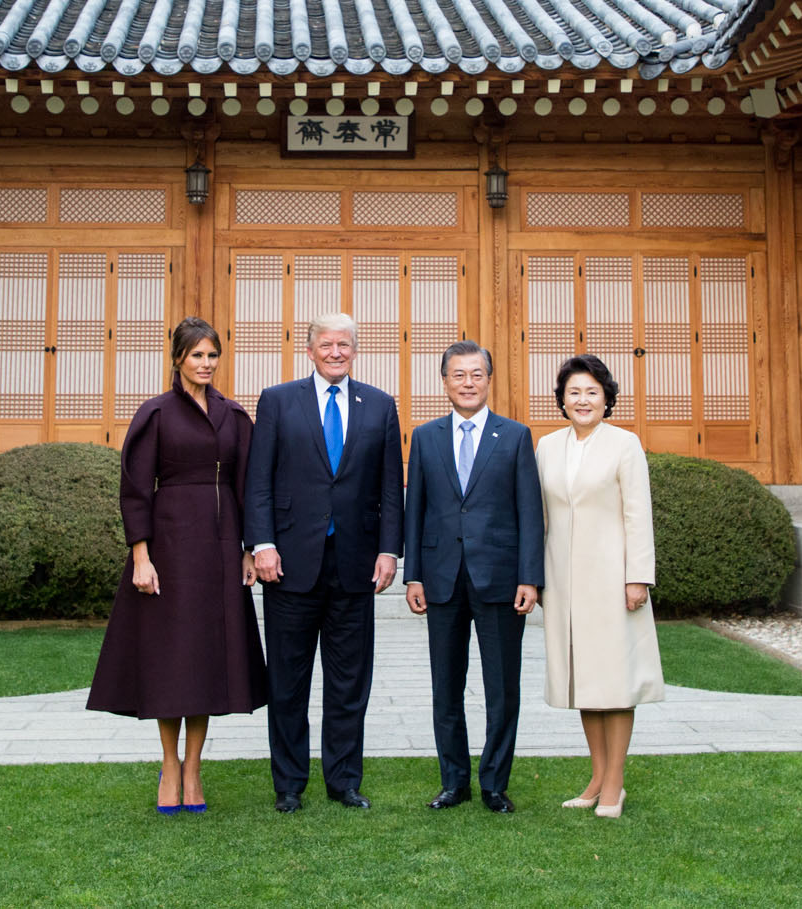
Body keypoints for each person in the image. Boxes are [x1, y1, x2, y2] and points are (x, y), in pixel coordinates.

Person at [87, 318, 268, 814]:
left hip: (221, 546)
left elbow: (249, 488)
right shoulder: (157, 414)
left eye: (213, 356)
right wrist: (140, 556)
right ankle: (169, 763)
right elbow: (135, 489)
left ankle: (194, 766)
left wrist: (249, 550)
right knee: (173, 661)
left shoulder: (234, 417)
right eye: (197, 356)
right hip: (168, 546)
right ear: (177, 359)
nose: (206, 364)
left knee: (207, 660)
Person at [244, 312, 404, 812]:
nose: (336, 352)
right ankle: (289, 784)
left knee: (349, 681)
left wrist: (388, 549)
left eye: (345, 345)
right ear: (309, 350)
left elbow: (388, 487)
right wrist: (262, 543)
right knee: (288, 682)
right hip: (289, 562)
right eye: (326, 345)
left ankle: (343, 780)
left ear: (355, 350)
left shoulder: (379, 405)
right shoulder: (277, 401)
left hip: (355, 563)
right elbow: (259, 481)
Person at [404, 340, 542, 814]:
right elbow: (414, 510)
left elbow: (529, 512)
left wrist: (530, 577)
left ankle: (495, 784)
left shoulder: (516, 436)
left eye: (476, 374)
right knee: (447, 685)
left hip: (501, 579)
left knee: (502, 686)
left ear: (489, 379)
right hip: (441, 579)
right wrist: (413, 576)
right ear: (444, 382)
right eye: (458, 374)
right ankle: (453, 782)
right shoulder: (424, 437)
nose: (468, 382)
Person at [535, 353, 663, 819]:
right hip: (565, 582)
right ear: (562, 400)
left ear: (606, 398)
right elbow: (542, 518)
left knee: (616, 681)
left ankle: (615, 784)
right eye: (573, 392)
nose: (582, 399)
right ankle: (595, 777)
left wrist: (637, 577)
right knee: (584, 681)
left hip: (613, 580)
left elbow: (637, 514)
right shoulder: (547, 447)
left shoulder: (625, 445)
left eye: (592, 391)